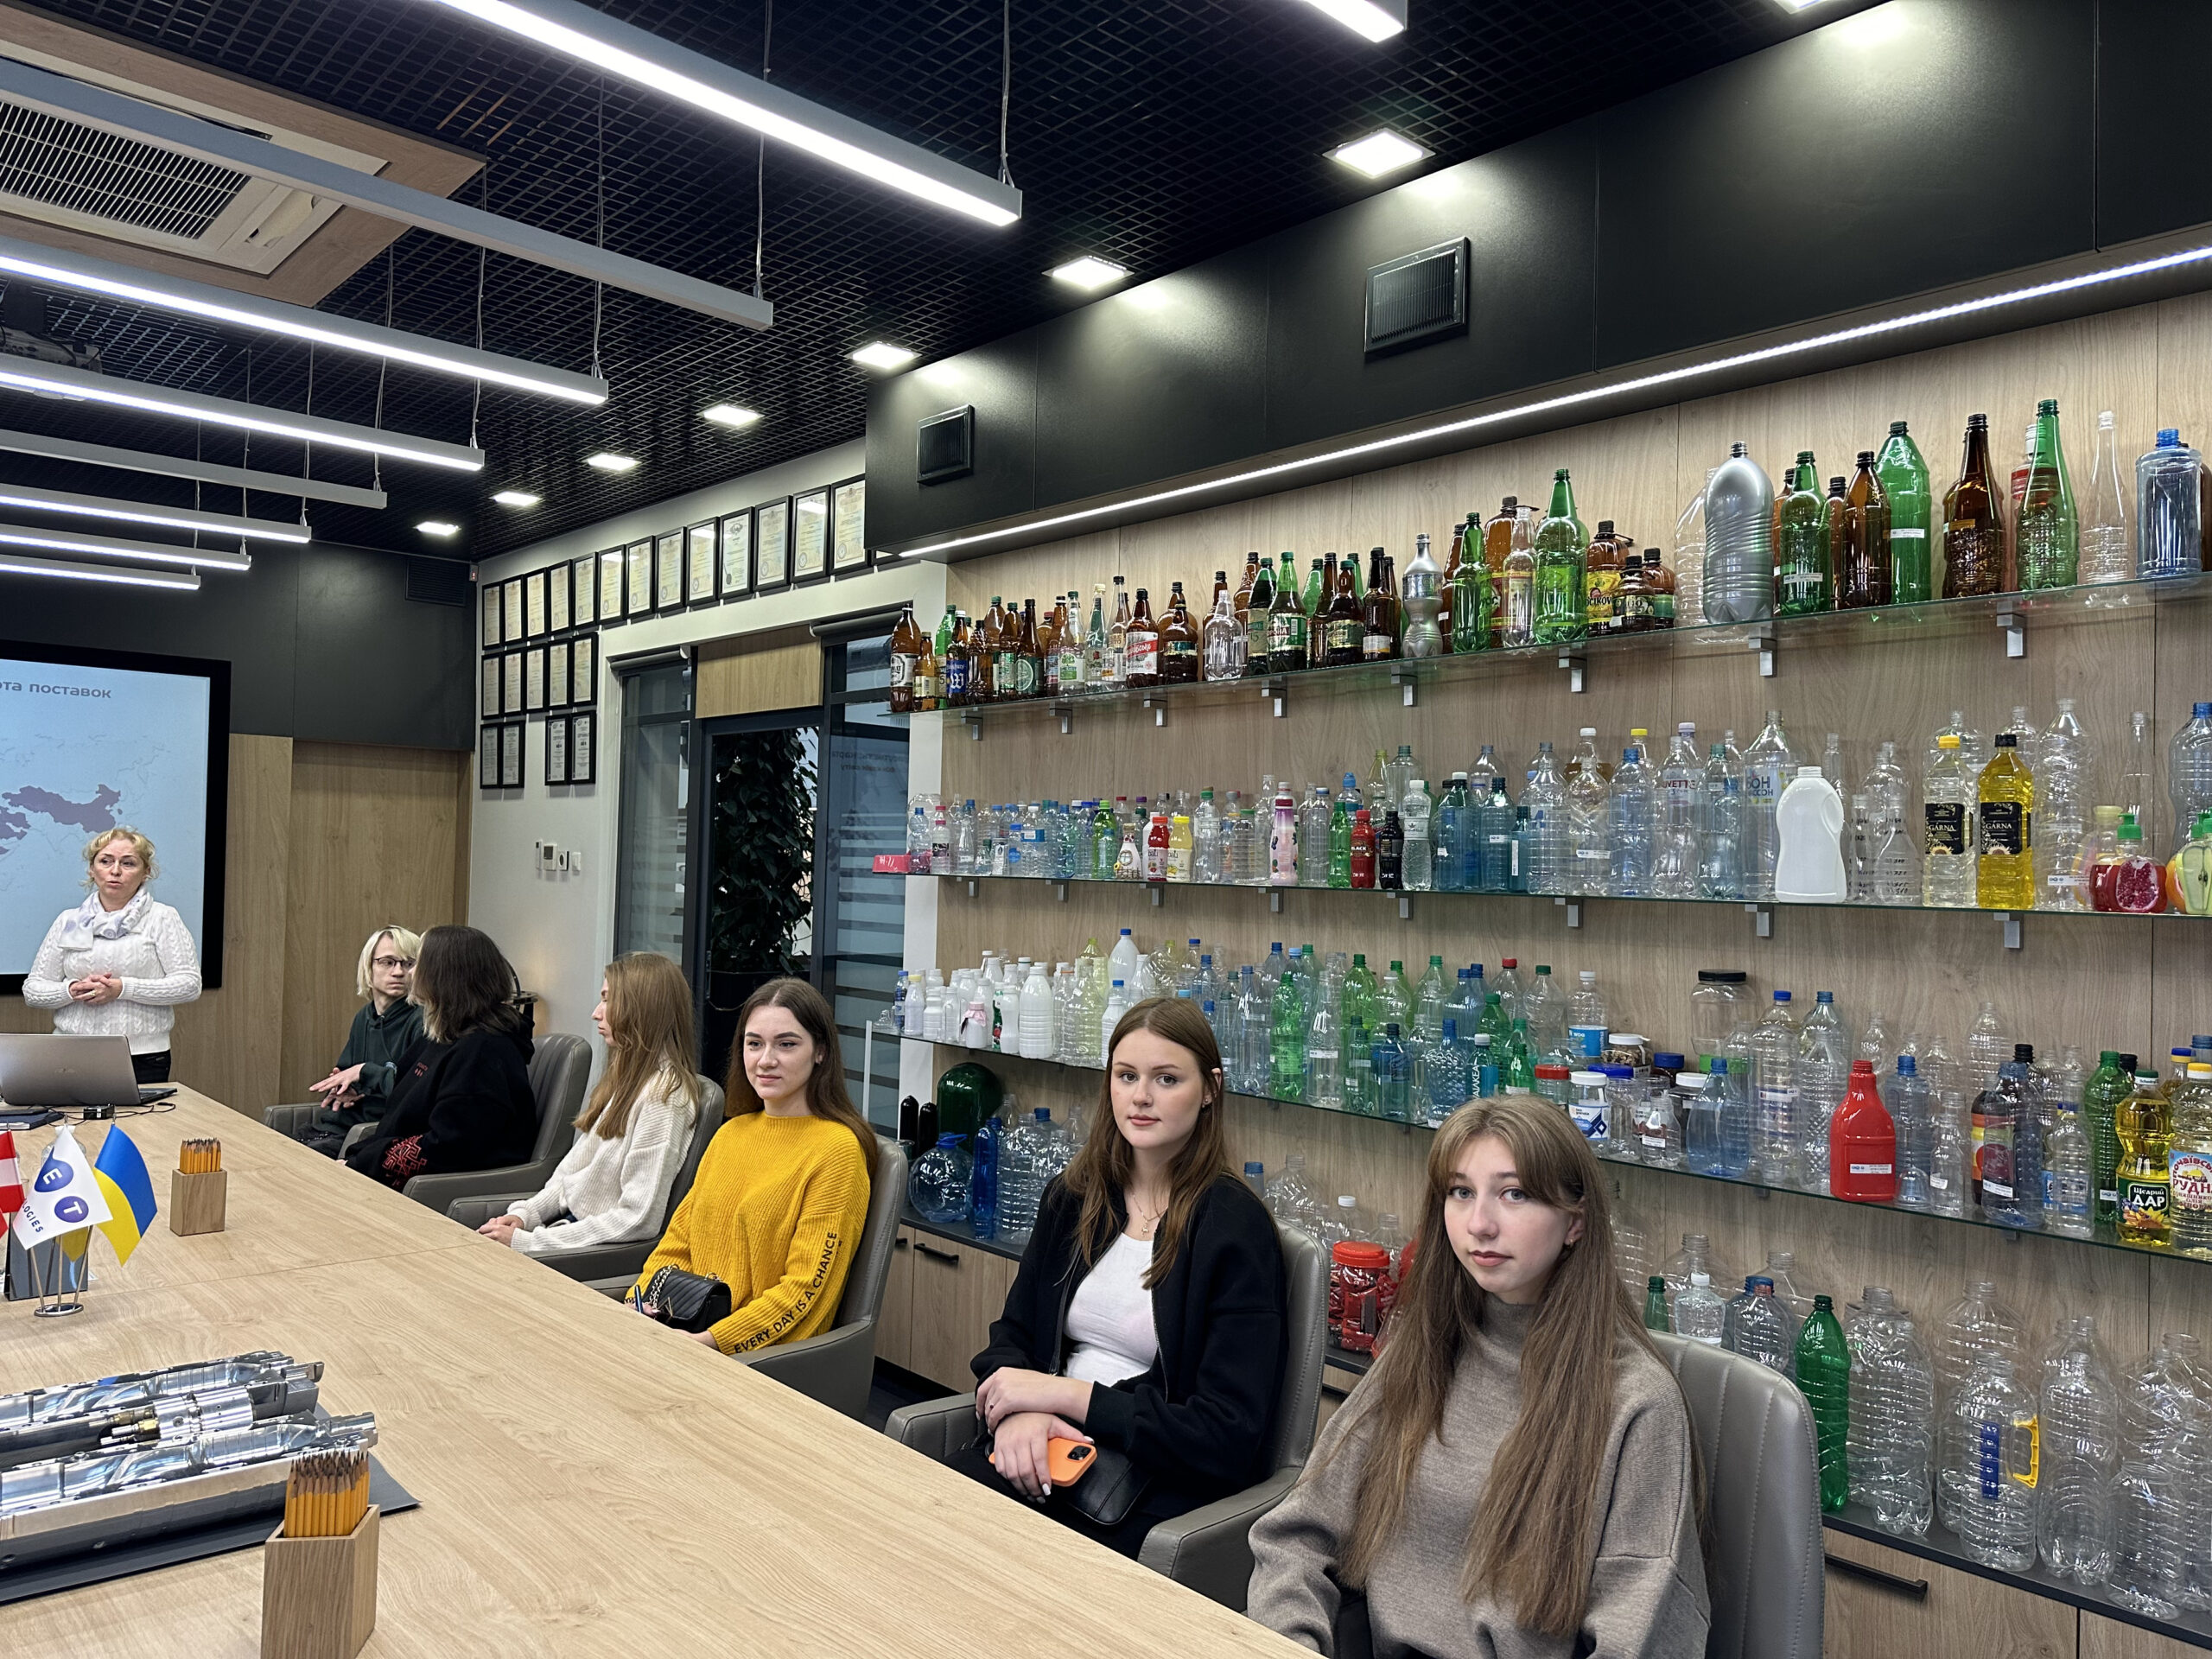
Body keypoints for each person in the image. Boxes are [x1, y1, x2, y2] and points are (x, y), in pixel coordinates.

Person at [1247, 1095, 1709, 1658]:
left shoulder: (1637, 1403)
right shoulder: (1424, 1348)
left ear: (1575, 1222)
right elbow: (1295, 1537)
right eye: (1461, 1192)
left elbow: (1639, 1639)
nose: (1479, 1224)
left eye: (1514, 1194)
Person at [956, 996, 1288, 1558]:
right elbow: (1012, 1335)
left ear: (1210, 1089)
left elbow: (1224, 1434)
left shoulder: (1235, 1227)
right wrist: (1022, 1414)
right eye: (1127, 1076)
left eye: (1167, 1079)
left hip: (1150, 1485)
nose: (1141, 1096)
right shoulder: (1074, 1195)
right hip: (1042, 1446)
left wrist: (1061, 1396)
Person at [632, 977, 875, 1355]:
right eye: (754, 1043)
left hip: (758, 1360)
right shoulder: (730, 1134)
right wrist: (638, 1305)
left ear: (820, 1051)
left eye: (786, 1044)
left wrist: (712, 1342)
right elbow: (677, 1244)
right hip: (683, 1332)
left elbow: (805, 1289)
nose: (765, 1060)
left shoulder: (837, 1150)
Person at [479, 953, 700, 1258]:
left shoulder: (664, 1097)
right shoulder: (628, 1082)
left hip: (583, 1251)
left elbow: (638, 1218)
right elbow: (570, 1176)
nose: (596, 1013)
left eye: (608, 1000)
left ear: (641, 1008)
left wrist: (530, 1243)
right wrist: (525, 1215)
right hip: (565, 1230)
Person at [346, 925, 537, 1190]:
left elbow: (448, 1146)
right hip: (399, 1177)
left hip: (435, 1190)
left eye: (417, 963)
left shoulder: (483, 1051)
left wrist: (364, 1163)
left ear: (444, 974)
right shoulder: (441, 1037)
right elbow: (401, 1118)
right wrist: (357, 1159)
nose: (410, 973)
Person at [22, 828, 201, 1085]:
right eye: (105, 861)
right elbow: (33, 990)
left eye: (128, 863)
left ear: (146, 872)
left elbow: (189, 985)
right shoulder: (69, 920)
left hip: (141, 1057)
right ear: (91, 870)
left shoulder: (163, 918)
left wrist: (122, 989)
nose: (115, 871)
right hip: (69, 1053)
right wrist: (71, 990)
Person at [293, 926, 426, 1157]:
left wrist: (366, 1072)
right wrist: (347, 1088)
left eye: (408, 963)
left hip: (371, 1136)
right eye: (387, 962)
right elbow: (349, 1071)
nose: (398, 972)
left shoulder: (422, 1020)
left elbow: (415, 1092)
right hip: (337, 1125)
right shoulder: (364, 1016)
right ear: (369, 966)